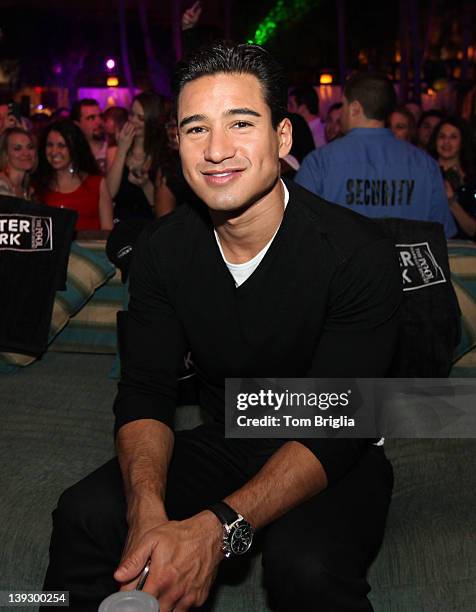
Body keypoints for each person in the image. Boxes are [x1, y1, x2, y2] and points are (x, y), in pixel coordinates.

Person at [41, 42, 401, 612]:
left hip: (333, 445)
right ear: (176, 143)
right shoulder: (163, 250)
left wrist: (216, 529)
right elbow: (146, 391)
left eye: (240, 123)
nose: (217, 151)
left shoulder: (358, 252)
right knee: (86, 512)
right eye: (195, 129)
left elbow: (341, 423)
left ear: (282, 138)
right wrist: (147, 512)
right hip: (230, 430)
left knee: (304, 564)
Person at [295, 72, 456, 238]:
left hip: (343, 263)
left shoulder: (319, 162)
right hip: (405, 262)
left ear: (355, 109)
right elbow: (442, 234)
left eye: (343, 105)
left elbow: (298, 229)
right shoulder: (425, 165)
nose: (341, 112)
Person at [34, 119, 113, 231]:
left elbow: (107, 233)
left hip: (91, 248)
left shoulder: (97, 184)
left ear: (74, 148)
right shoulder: (39, 186)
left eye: (62, 145)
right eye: (50, 145)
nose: (54, 151)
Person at [106, 91, 165, 222]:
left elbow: (161, 208)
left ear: (152, 121)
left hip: (150, 227)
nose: (133, 121)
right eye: (132, 114)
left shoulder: (162, 155)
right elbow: (109, 193)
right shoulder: (115, 150)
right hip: (121, 225)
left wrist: (145, 185)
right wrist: (122, 149)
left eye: (141, 118)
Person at [428, 116, 476, 239]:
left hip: (463, 251)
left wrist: (451, 202)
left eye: (453, 137)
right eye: (442, 136)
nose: (446, 142)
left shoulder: (471, 181)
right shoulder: (425, 171)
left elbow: (473, 230)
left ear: (462, 142)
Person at [70, 98, 107, 173]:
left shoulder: (114, 150)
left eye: (100, 116)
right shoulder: (71, 154)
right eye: (91, 118)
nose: (99, 122)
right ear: (77, 125)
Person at [0, 127, 36, 199]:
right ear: (6, 154)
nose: (26, 153)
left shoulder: (26, 189)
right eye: (17, 148)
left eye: (30, 147)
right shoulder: (2, 187)